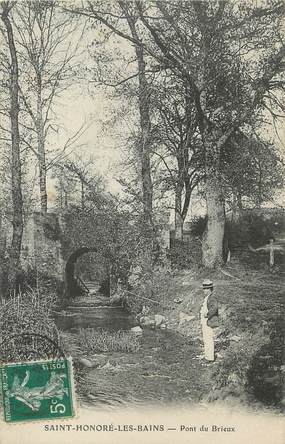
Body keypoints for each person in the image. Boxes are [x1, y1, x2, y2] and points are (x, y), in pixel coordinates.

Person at [200, 279, 219, 362]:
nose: (204, 290)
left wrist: (207, 315)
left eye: (205, 289)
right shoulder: (208, 298)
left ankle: (210, 358)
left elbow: (214, 308)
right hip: (206, 321)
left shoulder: (212, 298)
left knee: (208, 339)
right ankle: (207, 356)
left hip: (209, 321)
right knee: (206, 338)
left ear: (209, 289)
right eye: (204, 289)